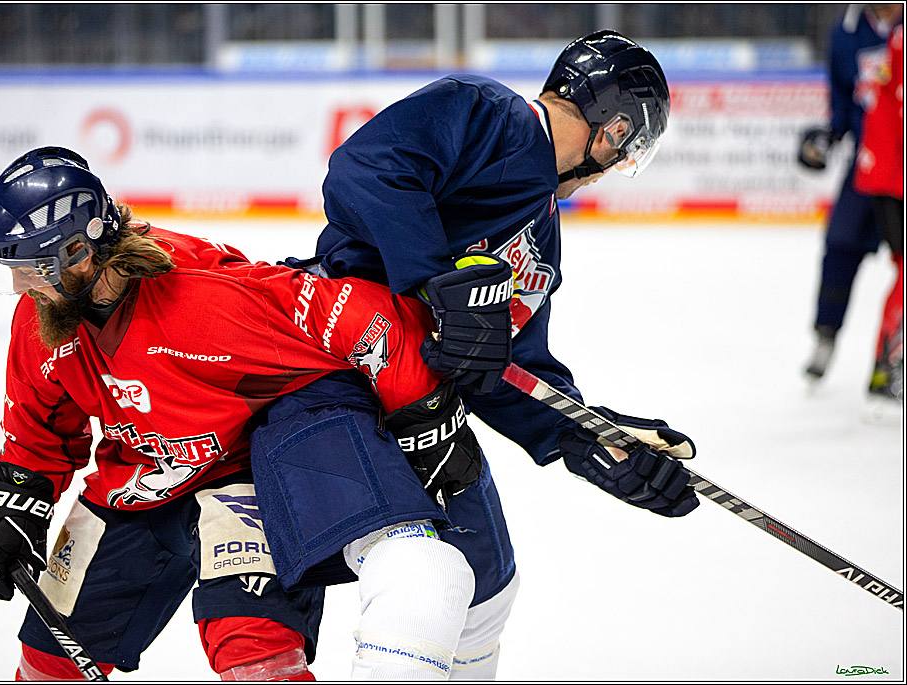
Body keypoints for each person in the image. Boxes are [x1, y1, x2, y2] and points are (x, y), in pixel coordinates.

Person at [248, 30, 699, 680]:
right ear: (615, 130)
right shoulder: (484, 111)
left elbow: (506, 364)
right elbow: (363, 171)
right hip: (334, 374)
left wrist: (590, 436)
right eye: (630, 148)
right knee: (422, 584)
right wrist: (440, 281)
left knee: (488, 586)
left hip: (425, 406)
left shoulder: (540, 233)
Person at [0, 146, 490, 680]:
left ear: (81, 250)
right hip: (138, 478)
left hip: (243, 471)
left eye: (34, 269)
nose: (21, 287)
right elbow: (40, 431)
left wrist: (425, 417)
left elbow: (362, 318)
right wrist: (18, 493)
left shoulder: (203, 303)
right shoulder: (45, 315)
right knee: (49, 664)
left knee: (256, 657)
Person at [797, 3, 903, 385]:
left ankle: (891, 361)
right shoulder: (846, 31)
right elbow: (841, 108)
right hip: (870, 164)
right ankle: (825, 338)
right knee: (840, 244)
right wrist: (825, 139)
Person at [853, 22, 904, 418]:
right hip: (892, 174)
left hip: (886, 172)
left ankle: (885, 369)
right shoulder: (900, 39)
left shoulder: (896, 39)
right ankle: (888, 368)